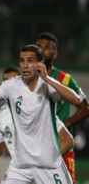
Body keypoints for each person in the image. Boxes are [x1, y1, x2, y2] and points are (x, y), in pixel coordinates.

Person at [0, 44, 80, 184]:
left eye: (30, 61)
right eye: (22, 61)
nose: (25, 65)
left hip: (48, 166)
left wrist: (47, 78)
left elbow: (75, 100)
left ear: (39, 64)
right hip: (21, 166)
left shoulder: (46, 88)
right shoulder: (10, 89)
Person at [0, 66, 74, 184]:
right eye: (6, 81)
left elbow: (68, 141)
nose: (10, 85)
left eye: (13, 80)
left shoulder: (37, 108)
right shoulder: (0, 117)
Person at [36, 32, 89, 183]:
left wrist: (67, 123)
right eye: (39, 46)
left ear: (55, 53)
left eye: (47, 47)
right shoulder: (28, 77)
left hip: (62, 146)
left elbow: (86, 107)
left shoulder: (65, 79)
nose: (42, 49)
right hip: (37, 146)